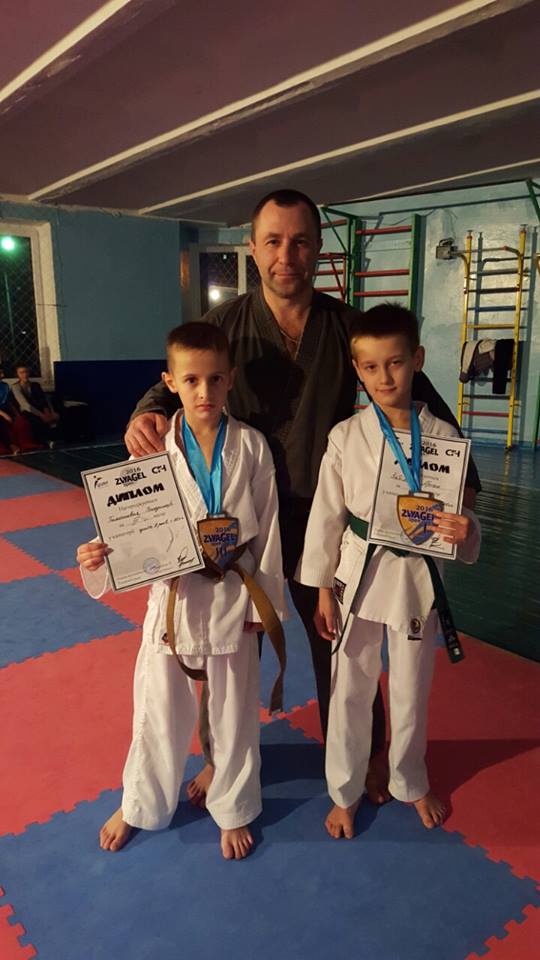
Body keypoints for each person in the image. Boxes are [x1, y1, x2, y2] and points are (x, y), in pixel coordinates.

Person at [124, 188, 481, 807]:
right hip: (240, 521)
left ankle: (368, 754)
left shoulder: (345, 326)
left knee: (340, 648)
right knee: (226, 644)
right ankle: (216, 757)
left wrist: (461, 487)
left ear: (318, 249)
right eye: (273, 241)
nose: (285, 255)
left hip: (326, 520)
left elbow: (416, 396)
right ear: (252, 248)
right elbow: (182, 374)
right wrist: (146, 411)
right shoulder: (227, 325)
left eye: (300, 241)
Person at [77, 322, 287, 860]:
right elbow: (126, 524)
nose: (204, 391)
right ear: (170, 382)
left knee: (234, 714)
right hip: (172, 601)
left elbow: (269, 531)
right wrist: (98, 555)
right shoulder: (150, 452)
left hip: (233, 597)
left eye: (215, 379)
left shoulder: (252, 446)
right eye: (191, 380)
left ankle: (233, 807)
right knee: (156, 711)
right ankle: (139, 804)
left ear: (231, 379)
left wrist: (266, 604)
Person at [296, 304, 481, 840]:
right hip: (357, 575)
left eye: (395, 363)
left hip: (416, 577)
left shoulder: (445, 437)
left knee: (411, 689)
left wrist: (466, 529)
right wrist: (322, 588)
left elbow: (461, 514)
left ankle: (409, 780)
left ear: (417, 359)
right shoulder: (346, 436)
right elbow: (326, 516)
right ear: (357, 368)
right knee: (349, 688)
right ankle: (345, 790)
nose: (384, 377)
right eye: (371, 367)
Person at [11, 365, 60, 448]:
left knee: (57, 414)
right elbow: (24, 405)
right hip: (27, 410)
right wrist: (41, 415)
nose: (25, 374)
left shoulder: (35, 385)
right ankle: (45, 441)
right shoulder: (16, 387)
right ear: (17, 375)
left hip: (39, 408)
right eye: (21, 373)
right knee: (35, 420)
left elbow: (44, 399)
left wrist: (50, 411)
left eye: (26, 372)